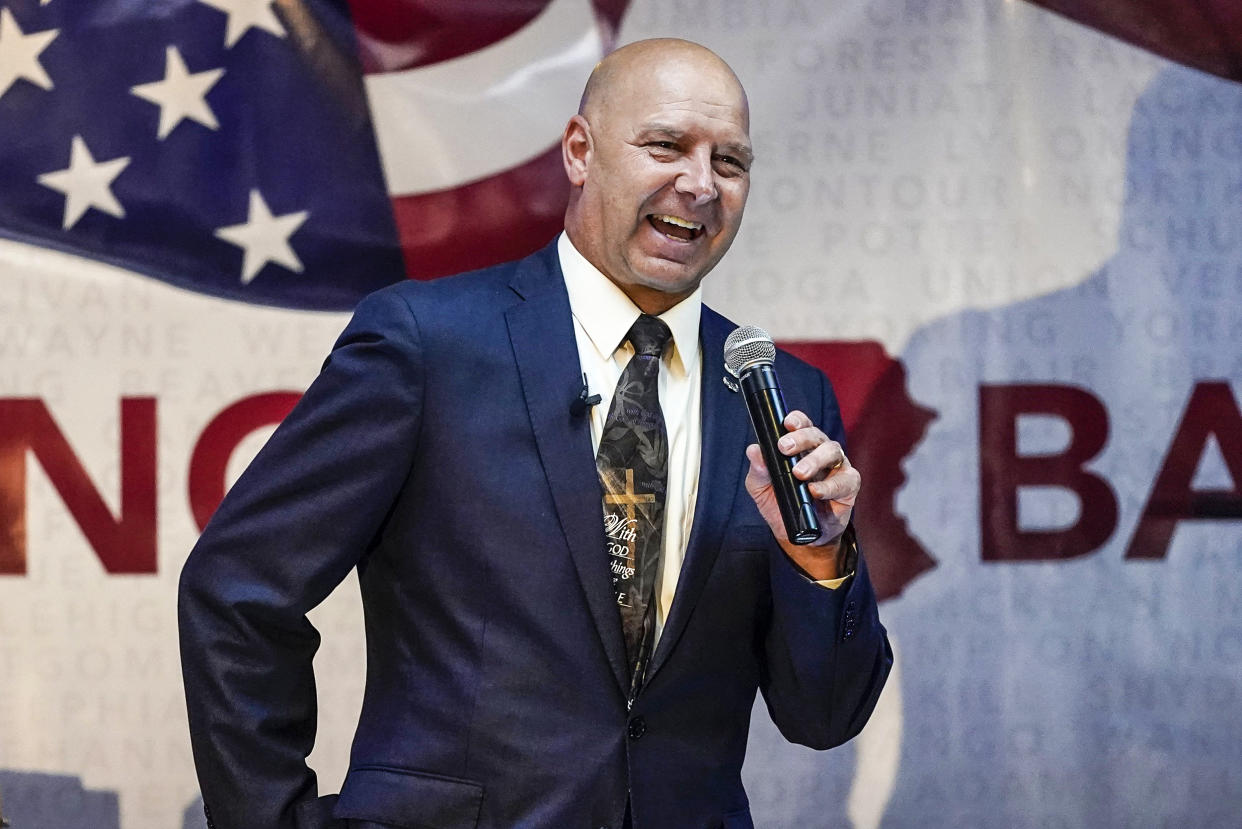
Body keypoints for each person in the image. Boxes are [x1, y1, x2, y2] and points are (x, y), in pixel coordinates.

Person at [179, 38, 892, 829]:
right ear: (580, 152)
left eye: (730, 161)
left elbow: (823, 716)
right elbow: (238, 589)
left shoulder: (786, 395)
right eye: (666, 145)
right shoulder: (428, 344)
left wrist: (822, 559)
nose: (699, 183)